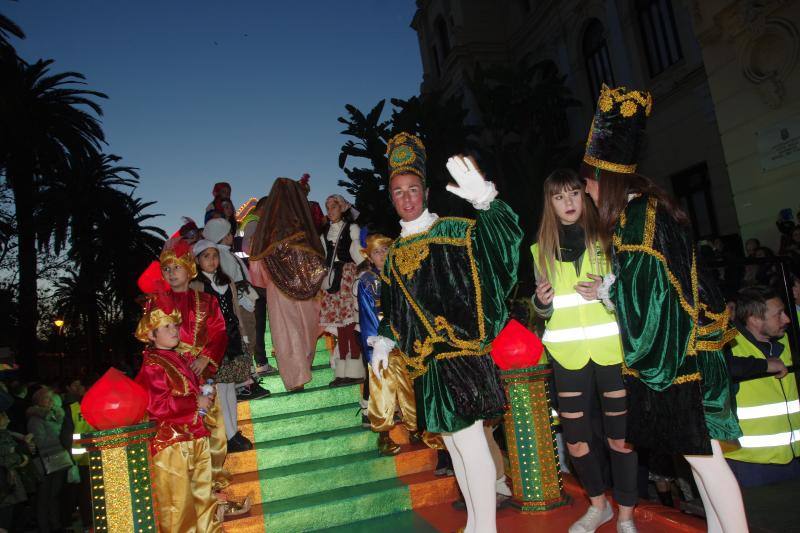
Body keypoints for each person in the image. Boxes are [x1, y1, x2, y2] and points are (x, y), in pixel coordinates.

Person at [582, 84, 748, 533]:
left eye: (590, 180)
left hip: (679, 363)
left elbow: (653, 306)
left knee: (707, 461)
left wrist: (615, 301)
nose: (587, 191)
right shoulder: (649, 212)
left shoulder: (637, 223)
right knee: (701, 461)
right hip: (695, 354)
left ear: (607, 179)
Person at [370, 132, 521, 533]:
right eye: (398, 191)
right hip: (428, 366)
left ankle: (486, 528)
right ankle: (475, 522)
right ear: (391, 197)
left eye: (413, 189)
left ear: (426, 191)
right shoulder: (395, 256)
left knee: (470, 445)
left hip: (462, 357)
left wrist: (486, 203)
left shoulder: (454, 232)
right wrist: (385, 337)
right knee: (454, 447)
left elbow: (502, 249)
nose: (406, 198)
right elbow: (396, 308)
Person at [531, 169, 637, 533]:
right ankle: (598, 506)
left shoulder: (610, 238)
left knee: (620, 440)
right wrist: (540, 303)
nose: (569, 203)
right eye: (559, 197)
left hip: (612, 353)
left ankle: (625, 514)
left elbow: (636, 299)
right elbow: (543, 309)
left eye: (574, 193)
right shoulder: (539, 250)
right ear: (550, 204)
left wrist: (609, 295)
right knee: (576, 443)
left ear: (584, 196)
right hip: (567, 357)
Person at [134, 293, 222, 533]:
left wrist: (205, 399)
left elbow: (193, 397)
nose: (174, 331)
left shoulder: (179, 358)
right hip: (171, 445)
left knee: (204, 502)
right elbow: (158, 406)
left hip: (194, 438)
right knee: (178, 509)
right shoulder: (153, 364)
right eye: (166, 327)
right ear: (151, 335)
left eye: (175, 325)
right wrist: (196, 402)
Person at [248, 177, 326, 393]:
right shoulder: (304, 228)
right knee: (305, 328)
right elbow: (320, 260)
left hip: (278, 291)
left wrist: (272, 280)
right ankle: (302, 369)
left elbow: (256, 270)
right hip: (308, 289)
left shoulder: (264, 234)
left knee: (286, 332)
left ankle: (295, 378)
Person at [192, 240, 264, 454]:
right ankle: (228, 434)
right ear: (197, 260)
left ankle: (233, 431)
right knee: (220, 389)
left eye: (215, 256)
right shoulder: (195, 286)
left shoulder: (227, 281)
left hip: (232, 338)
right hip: (212, 342)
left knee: (230, 388)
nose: (212, 260)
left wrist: (243, 334)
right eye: (206, 256)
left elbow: (235, 310)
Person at [724, 286, 799, 487]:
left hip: (794, 459)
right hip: (750, 465)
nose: (787, 319)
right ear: (754, 319)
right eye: (778, 315)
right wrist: (765, 365)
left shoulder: (790, 340)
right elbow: (722, 368)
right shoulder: (729, 345)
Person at [203, 218, 272, 399]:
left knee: (249, 338)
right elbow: (230, 281)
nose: (231, 236)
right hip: (240, 303)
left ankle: (248, 380)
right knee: (245, 340)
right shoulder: (222, 255)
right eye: (227, 234)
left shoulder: (227, 253)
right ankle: (243, 384)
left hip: (245, 300)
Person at [321, 194, 365, 386]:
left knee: (350, 325)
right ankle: (342, 372)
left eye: (334, 207)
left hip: (348, 276)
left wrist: (362, 274)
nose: (330, 211)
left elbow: (358, 254)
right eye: (328, 207)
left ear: (342, 208)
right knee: (341, 327)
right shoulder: (324, 233)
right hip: (332, 280)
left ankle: (354, 371)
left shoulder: (352, 228)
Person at [27, 387, 70, 533]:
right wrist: (61, 439)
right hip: (47, 462)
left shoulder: (54, 414)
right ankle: (45, 527)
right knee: (45, 497)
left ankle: (56, 525)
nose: (51, 401)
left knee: (55, 495)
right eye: (47, 398)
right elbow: (39, 441)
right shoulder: (35, 419)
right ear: (38, 401)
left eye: (52, 398)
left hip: (58, 459)